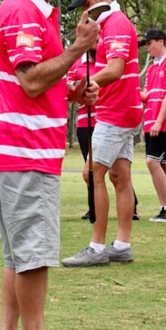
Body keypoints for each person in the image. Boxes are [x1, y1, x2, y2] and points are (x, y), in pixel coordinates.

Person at [0, 0, 99, 330]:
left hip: (21, 150)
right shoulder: (22, 11)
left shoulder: (38, 12)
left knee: (18, 255)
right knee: (33, 253)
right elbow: (31, 80)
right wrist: (77, 51)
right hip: (25, 149)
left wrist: (71, 90)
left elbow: (35, 79)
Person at [62, 0, 142, 267]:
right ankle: (121, 244)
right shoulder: (106, 26)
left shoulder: (117, 23)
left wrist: (88, 83)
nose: (87, 13)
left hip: (116, 111)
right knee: (120, 177)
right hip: (121, 109)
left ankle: (97, 247)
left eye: (88, 6)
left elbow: (116, 68)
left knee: (93, 174)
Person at [139, 27, 166, 222]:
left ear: (161, 42)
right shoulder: (151, 68)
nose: (147, 48)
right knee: (165, 163)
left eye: (149, 43)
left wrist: (159, 121)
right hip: (150, 120)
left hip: (161, 121)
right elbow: (146, 95)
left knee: (152, 161)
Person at [67, 51, 97, 222]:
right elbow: (70, 88)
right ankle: (93, 206)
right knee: (91, 171)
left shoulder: (107, 59)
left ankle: (132, 206)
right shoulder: (77, 63)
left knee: (113, 169)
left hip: (104, 120)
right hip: (85, 123)